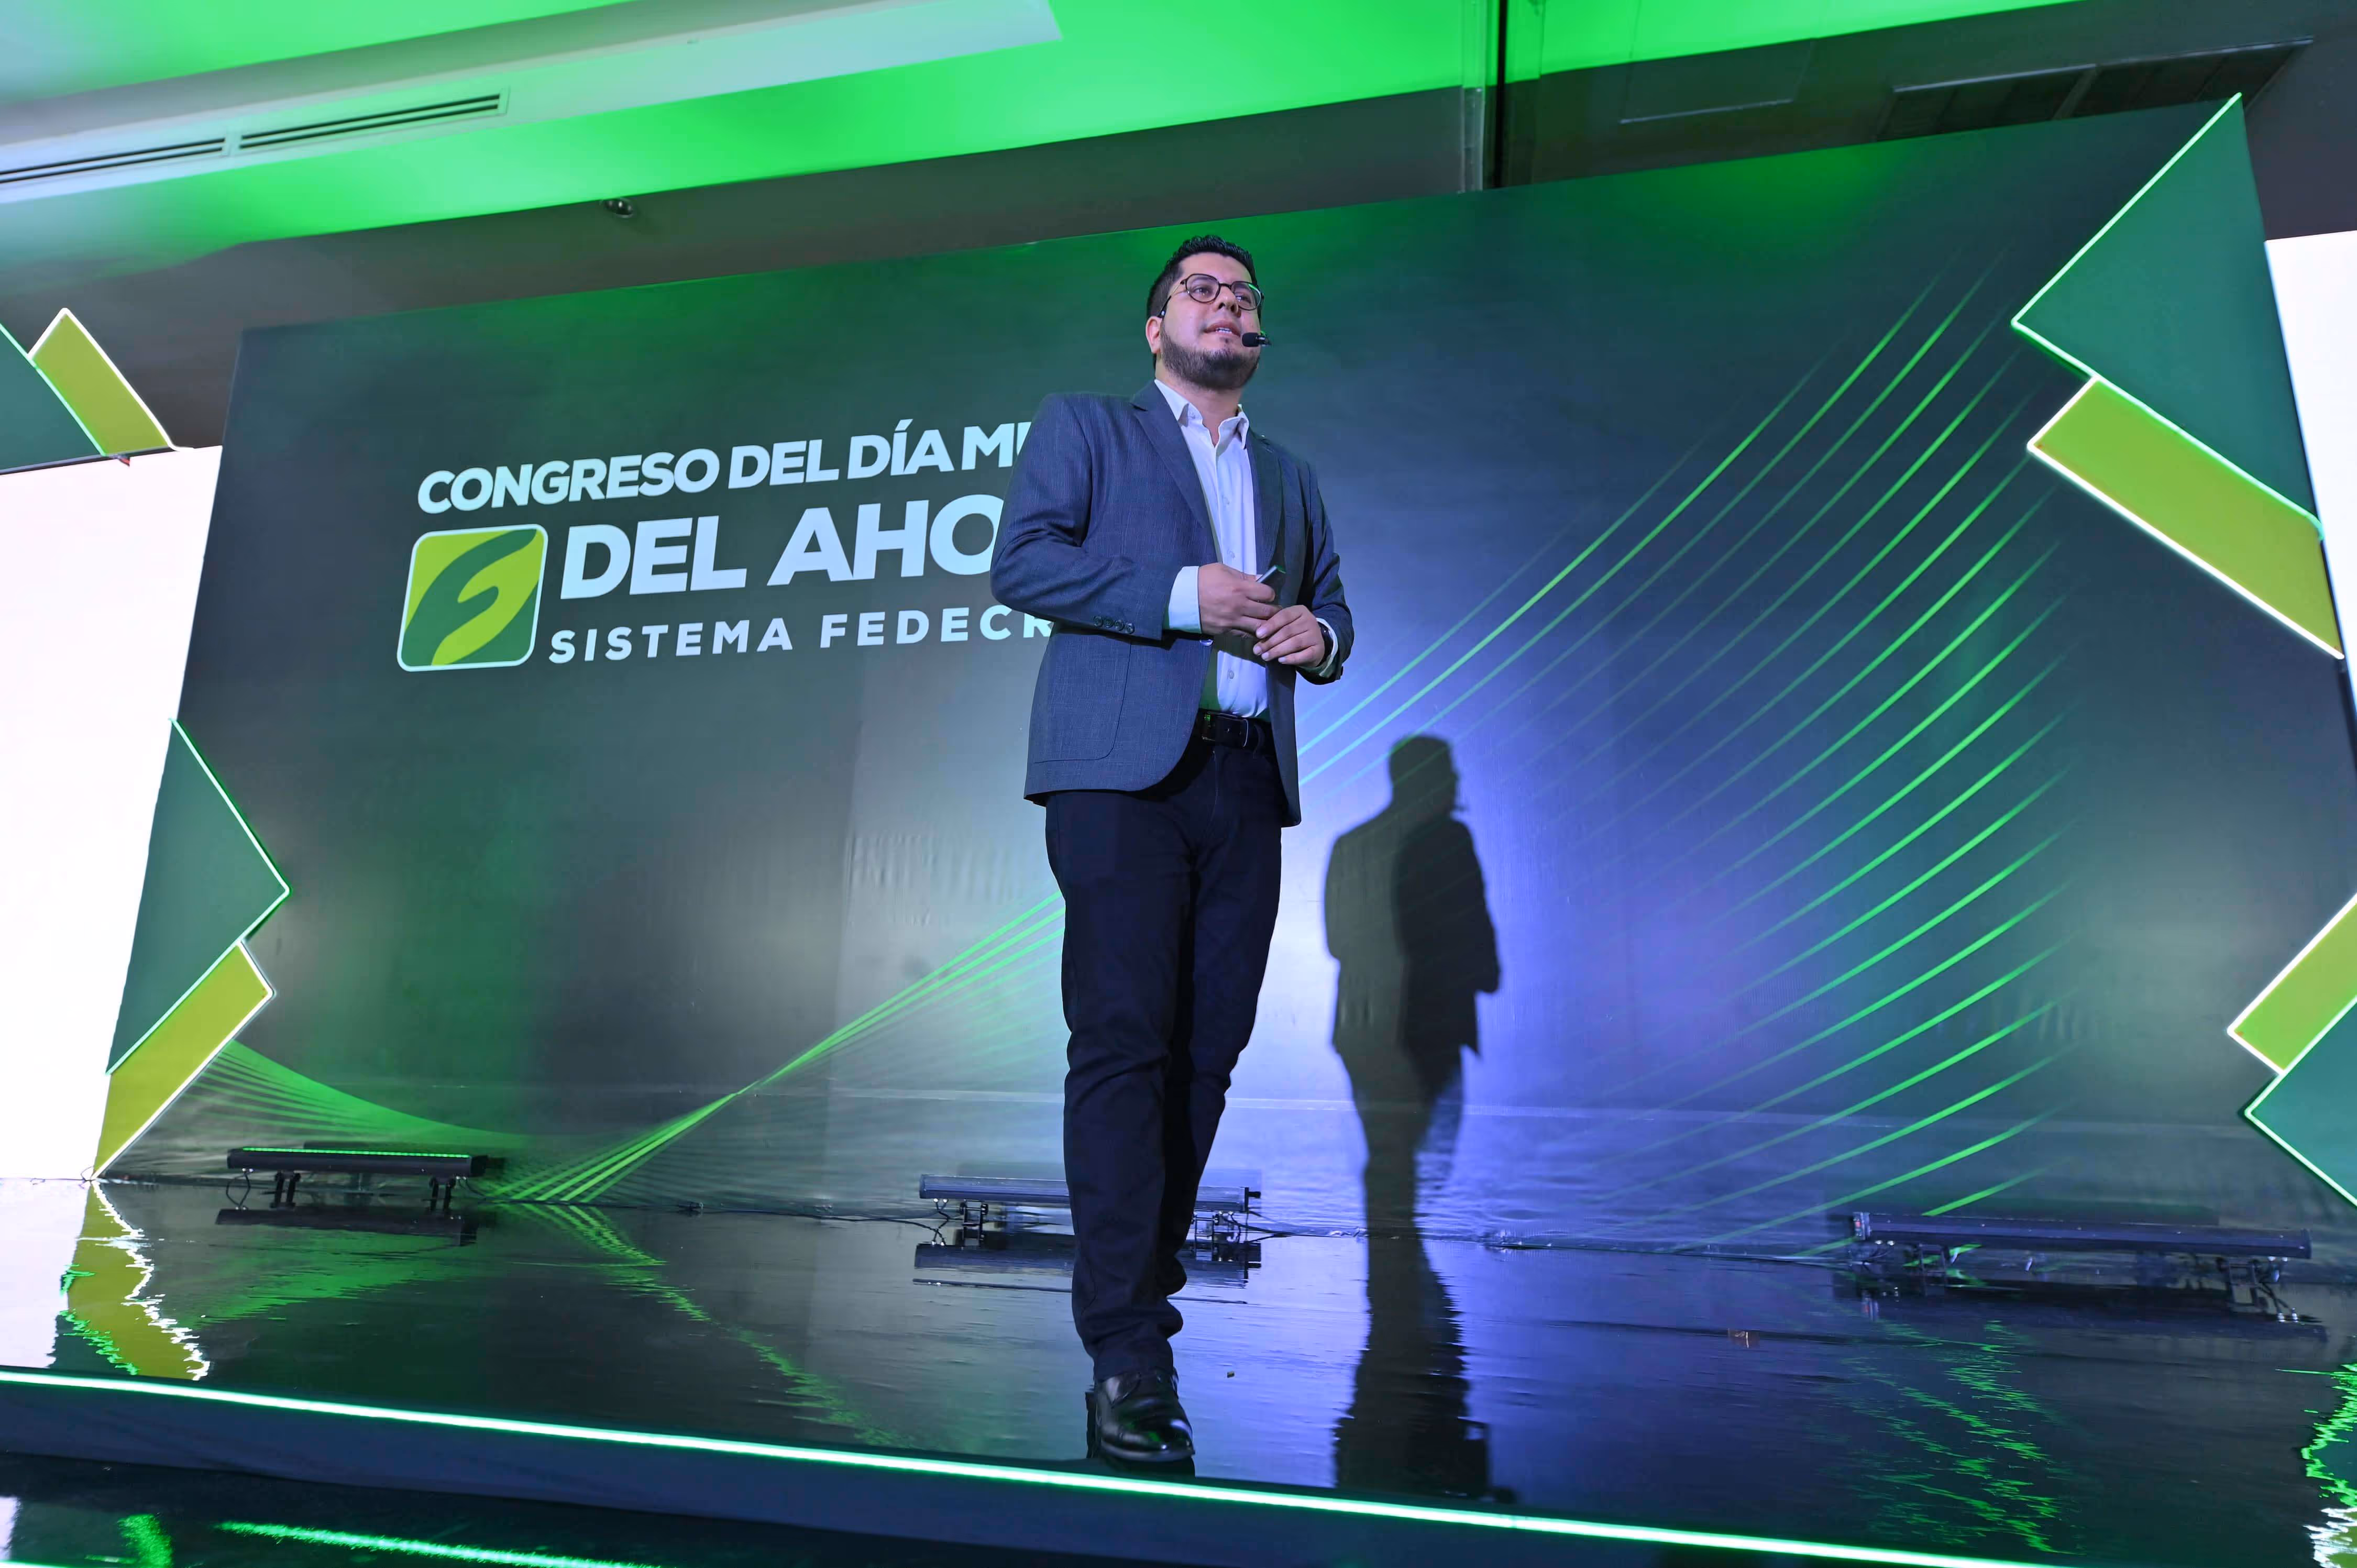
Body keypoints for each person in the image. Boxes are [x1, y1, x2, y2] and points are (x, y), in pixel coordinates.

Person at [991, 235, 1353, 1465]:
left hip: (1246, 785)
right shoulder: (1089, 426)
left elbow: (1335, 597)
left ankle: (1136, 1318)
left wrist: (1320, 632)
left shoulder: (1289, 472)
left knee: (1207, 1056)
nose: (1229, 305)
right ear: (1158, 329)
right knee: (1126, 1042)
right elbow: (1023, 561)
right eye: (1203, 290)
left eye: (1246, 295)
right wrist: (1174, 597)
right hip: (1120, 780)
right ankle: (1129, 1352)